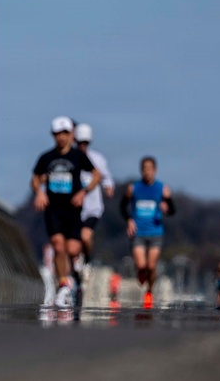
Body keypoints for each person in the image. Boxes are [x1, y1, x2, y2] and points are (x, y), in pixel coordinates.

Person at [31, 116, 101, 309]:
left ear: (71, 135)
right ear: (53, 136)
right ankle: (63, 283)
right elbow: (35, 178)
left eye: (65, 134)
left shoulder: (78, 156)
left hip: (73, 210)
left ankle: (76, 277)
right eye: (57, 134)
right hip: (53, 209)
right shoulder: (47, 158)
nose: (61, 138)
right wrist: (39, 192)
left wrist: (84, 192)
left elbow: (97, 175)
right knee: (57, 245)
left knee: (72, 250)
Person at [121, 155, 174, 309]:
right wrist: (129, 219)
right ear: (141, 170)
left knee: (151, 266)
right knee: (142, 265)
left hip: (155, 232)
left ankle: (149, 291)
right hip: (138, 232)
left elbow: (172, 210)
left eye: (150, 169)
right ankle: (141, 272)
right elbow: (122, 207)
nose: (147, 172)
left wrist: (167, 206)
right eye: (144, 169)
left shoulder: (162, 188)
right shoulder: (133, 188)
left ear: (155, 170)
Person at [73, 123, 114, 276]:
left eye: (86, 143)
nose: (83, 146)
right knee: (73, 245)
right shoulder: (72, 158)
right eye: (80, 143)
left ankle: (87, 260)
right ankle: (76, 271)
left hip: (92, 207)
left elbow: (106, 176)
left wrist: (108, 186)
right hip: (74, 209)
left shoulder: (97, 159)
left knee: (86, 236)